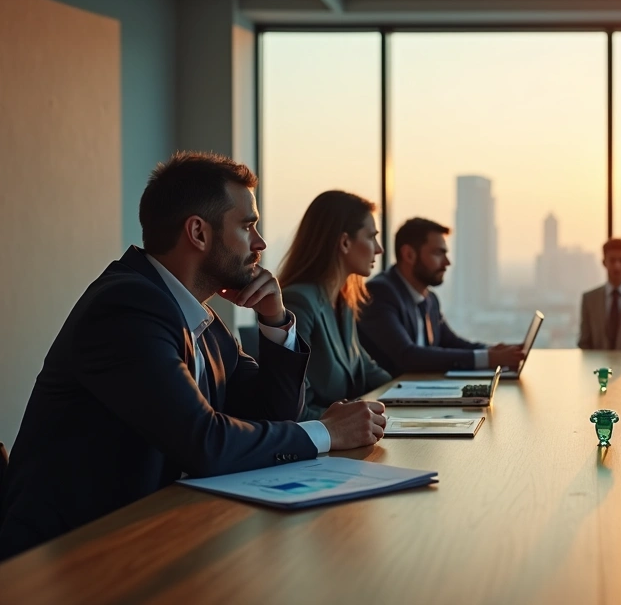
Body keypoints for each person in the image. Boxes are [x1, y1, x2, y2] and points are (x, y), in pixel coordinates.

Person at [0, 153, 386, 560]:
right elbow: (205, 441)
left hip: (150, 536)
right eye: (247, 225)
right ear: (199, 233)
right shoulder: (125, 306)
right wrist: (327, 432)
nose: (260, 243)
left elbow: (274, 412)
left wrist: (276, 320)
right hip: (64, 558)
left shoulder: (199, 317)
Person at [357, 217, 524, 375]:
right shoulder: (380, 293)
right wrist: (488, 359)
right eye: (438, 253)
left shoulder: (430, 299)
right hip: (385, 398)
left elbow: (452, 343)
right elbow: (406, 356)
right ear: (409, 254)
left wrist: (494, 351)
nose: (447, 263)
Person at [280, 191, 394, 420]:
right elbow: (294, 410)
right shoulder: (299, 303)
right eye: (371, 237)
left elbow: (368, 370)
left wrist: (418, 395)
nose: (379, 249)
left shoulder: (344, 302)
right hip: (322, 446)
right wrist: (347, 422)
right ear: (344, 242)